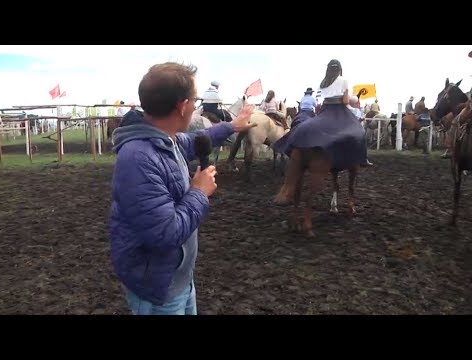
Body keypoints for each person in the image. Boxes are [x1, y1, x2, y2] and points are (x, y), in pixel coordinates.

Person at [109, 62, 255, 315]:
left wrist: (232, 126)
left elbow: (195, 141)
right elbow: (166, 233)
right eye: (195, 100)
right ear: (182, 105)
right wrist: (199, 192)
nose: (196, 106)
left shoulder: (166, 139)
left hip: (175, 279)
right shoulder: (139, 158)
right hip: (158, 289)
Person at [273, 59, 367, 170]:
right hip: (338, 110)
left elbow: (318, 103)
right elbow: (346, 101)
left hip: (324, 109)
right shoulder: (343, 80)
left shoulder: (323, 82)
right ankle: (360, 160)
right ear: (340, 69)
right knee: (359, 131)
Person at [348, 96, 373, 166]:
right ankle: (363, 161)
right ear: (356, 103)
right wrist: (363, 117)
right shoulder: (356, 110)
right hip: (357, 130)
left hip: (348, 130)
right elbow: (359, 120)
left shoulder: (347, 109)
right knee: (362, 146)